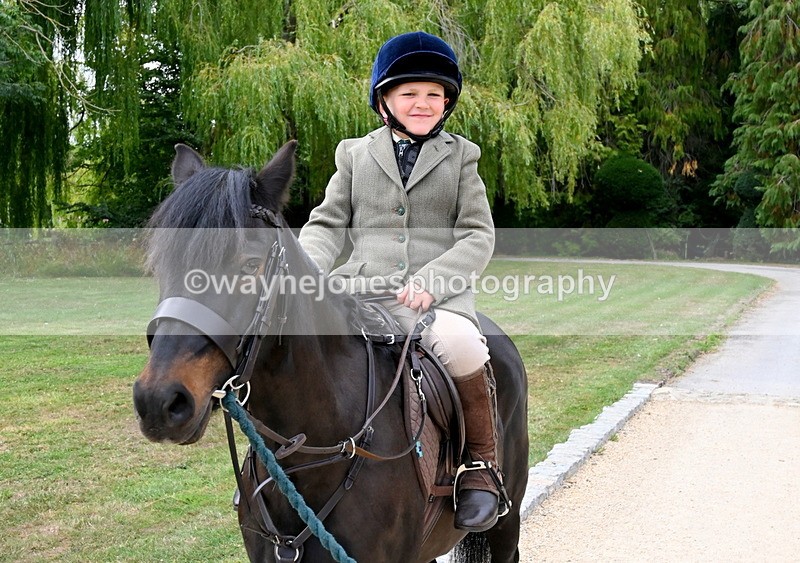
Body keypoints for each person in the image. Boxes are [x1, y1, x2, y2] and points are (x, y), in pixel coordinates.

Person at [298, 31, 503, 532]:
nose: (423, 103)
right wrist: (304, 273)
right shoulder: (354, 154)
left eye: (434, 94)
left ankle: (480, 466)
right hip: (360, 290)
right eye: (409, 93)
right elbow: (327, 225)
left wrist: (433, 281)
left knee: (461, 347)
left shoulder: (462, 157)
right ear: (384, 100)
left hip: (437, 298)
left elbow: (478, 235)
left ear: (447, 103)